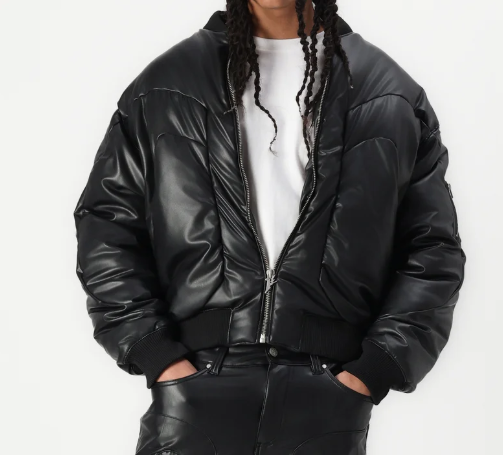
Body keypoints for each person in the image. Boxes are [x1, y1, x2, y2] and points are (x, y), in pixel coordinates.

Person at [73, 1, 466, 454]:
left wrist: (373, 370)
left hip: (327, 398)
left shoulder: (390, 93)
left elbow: (433, 249)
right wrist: (155, 354)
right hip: (194, 387)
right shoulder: (165, 83)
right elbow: (108, 225)